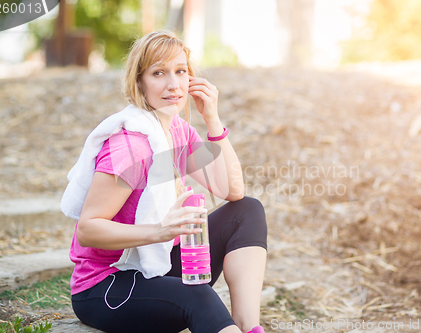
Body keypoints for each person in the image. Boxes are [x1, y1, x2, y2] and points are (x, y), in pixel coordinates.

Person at [63, 30, 268, 333]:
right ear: (140, 82)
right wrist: (160, 231)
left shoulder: (179, 133)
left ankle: (248, 327)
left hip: (157, 265)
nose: (173, 84)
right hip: (106, 286)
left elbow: (232, 191)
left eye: (180, 71)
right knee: (199, 296)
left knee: (247, 211)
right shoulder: (131, 147)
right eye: (158, 73)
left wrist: (212, 118)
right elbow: (89, 229)